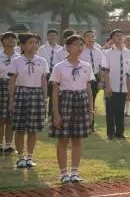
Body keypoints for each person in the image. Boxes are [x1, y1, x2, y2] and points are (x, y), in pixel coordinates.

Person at [48, 34, 95, 184]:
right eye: (76, 44)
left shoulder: (86, 66)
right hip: (65, 101)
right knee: (63, 139)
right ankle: (63, 173)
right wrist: (55, 113)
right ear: (68, 47)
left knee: (77, 139)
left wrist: (91, 110)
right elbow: (55, 91)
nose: (79, 47)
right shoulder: (59, 67)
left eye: (81, 45)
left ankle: (74, 172)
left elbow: (89, 90)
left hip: (81, 102)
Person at [10, 33, 48, 168]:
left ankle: (30, 156)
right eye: (31, 42)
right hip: (20, 93)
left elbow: (44, 82)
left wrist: (44, 99)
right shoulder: (16, 61)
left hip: (37, 94)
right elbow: (12, 82)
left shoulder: (42, 61)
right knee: (20, 128)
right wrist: (11, 100)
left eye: (36, 42)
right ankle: (20, 157)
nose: (34, 45)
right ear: (23, 45)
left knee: (33, 129)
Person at [101, 30, 130, 141]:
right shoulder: (107, 53)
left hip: (123, 87)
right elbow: (105, 71)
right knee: (110, 110)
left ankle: (120, 132)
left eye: (121, 35)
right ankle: (110, 133)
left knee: (121, 110)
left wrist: (129, 89)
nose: (119, 37)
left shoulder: (129, 53)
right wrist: (107, 86)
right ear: (112, 39)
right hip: (112, 86)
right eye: (116, 36)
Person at [0, 32, 16, 154]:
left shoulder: (19, 57)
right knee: (1, 117)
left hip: (15, 86)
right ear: (2, 41)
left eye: (13, 38)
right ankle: (0, 145)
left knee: (11, 118)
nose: (11, 40)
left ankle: (9, 145)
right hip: (1, 85)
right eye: (8, 38)